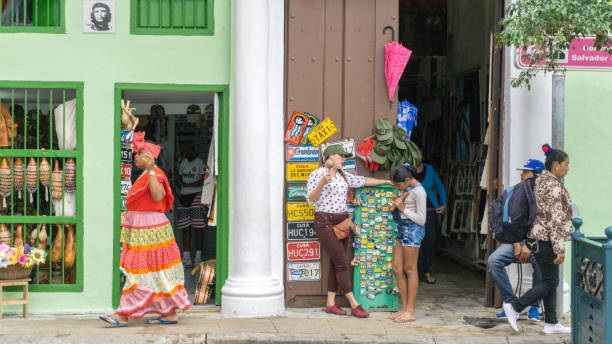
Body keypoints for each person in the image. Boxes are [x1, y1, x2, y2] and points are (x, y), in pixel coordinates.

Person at [99, 132, 190, 327]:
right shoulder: (145, 174)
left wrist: (150, 171)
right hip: (144, 228)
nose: (135, 157)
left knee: (137, 271)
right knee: (156, 271)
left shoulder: (155, 174)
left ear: (149, 157)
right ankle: (169, 314)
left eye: (139, 154)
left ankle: (122, 315)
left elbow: (158, 197)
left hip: (150, 229)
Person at [307, 144, 392, 318]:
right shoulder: (317, 174)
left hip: (342, 221)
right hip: (324, 221)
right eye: (341, 156)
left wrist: (386, 181)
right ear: (330, 158)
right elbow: (311, 200)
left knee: (335, 262)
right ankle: (354, 304)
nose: (344, 159)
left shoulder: (343, 175)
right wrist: (322, 183)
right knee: (340, 263)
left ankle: (330, 303)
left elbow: (363, 180)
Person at [503, 144, 572, 334]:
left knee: (551, 280)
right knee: (550, 282)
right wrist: (560, 248)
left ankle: (551, 323)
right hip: (546, 240)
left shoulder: (539, 181)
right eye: (566, 164)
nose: (568, 168)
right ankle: (515, 307)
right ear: (556, 165)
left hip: (536, 238)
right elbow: (554, 220)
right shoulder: (554, 186)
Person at [488, 159, 545, 322]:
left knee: (542, 262)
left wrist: (528, 245)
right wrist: (516, 245)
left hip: (537, 243)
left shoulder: (544, 195)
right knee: (494, 261)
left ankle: (535, 306)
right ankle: (511, 304)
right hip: (516, 241)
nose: (522, 175)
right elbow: (507, 220)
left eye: (526, 172)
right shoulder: (512, 192)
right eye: (523, 171)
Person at [388, 164, 427, 323]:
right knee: (397, 268)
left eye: (398, 185)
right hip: (401, 229)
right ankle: (404, 309)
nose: (398, 188)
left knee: (410, 270)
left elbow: (422, 220)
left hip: (413, 230)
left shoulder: (419, 192)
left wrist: (403, 209)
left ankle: (410, 311)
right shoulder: (406, 188)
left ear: (407, 180)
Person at [413, 152, 447, 284]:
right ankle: (414, 273)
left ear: (422, 155)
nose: (416, 158)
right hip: (413, 211)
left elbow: (439, 186)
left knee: (430, 242)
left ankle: (426, 272)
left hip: (430, 210)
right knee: (415, 242)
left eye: (419, 155)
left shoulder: (430, 169)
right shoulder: (407, 170)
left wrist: (443, 203)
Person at [177, 143, 207, 268]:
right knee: (185, 227)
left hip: (197, 196)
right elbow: (178, 177)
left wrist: (190, 185)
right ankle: (186, 257)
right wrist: (181, 184)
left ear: (193, 150)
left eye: (188, 149)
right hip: (184, 197)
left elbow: (204, 179)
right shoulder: (183, 162)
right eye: (184, 150)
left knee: (198, 228)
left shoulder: (200, 162)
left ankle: (198, 257)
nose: (186, 152)